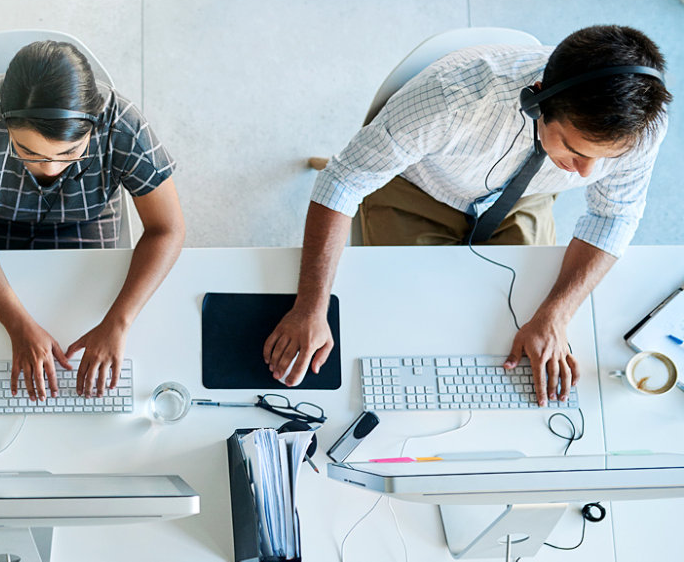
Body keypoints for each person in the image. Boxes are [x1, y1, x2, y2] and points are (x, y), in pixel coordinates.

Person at [265, 25, 672, 406]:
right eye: (575, 150)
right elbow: (343, 181)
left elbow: (612, 217)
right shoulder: (451, 98)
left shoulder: (641, 126)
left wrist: (557, 315)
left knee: (513, 330)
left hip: (525, 197)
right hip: (420, 188)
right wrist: (310, 308)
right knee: (409, 323)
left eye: (602, 160)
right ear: (537, 100)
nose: (587, 174)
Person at [0, 40, 185, 401]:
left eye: (69, 152)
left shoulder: (121, 122)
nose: (50, 167)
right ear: (5, 122)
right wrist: (18, 325)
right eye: (28, 151)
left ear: (95, 123)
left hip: (87, 222)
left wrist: (118, 322)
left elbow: (168, 228)